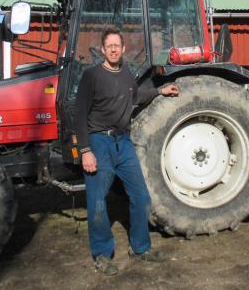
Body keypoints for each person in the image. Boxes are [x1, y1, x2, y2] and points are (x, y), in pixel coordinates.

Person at [74, 28, 180, 276]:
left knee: (141, 197)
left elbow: (135, 95)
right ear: (102, 50)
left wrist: (159, 91)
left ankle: (140, 248)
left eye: (116, 46)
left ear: (123, 49)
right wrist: (85, 150)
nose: (113, 49)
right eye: (108, 45)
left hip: (124, 142)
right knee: (98, 201)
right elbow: (79, 114)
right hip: (99, 141)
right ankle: (102, 253)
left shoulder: (126, 75)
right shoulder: (92, 76)